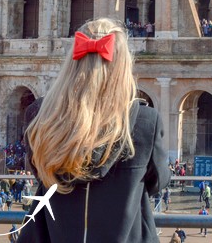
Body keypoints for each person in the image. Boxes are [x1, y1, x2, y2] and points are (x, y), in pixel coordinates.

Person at [18, 18, 171, 243]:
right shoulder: (146, 122)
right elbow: (158, 181)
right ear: (123, 65)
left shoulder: (38, 116)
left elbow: (39, 170)